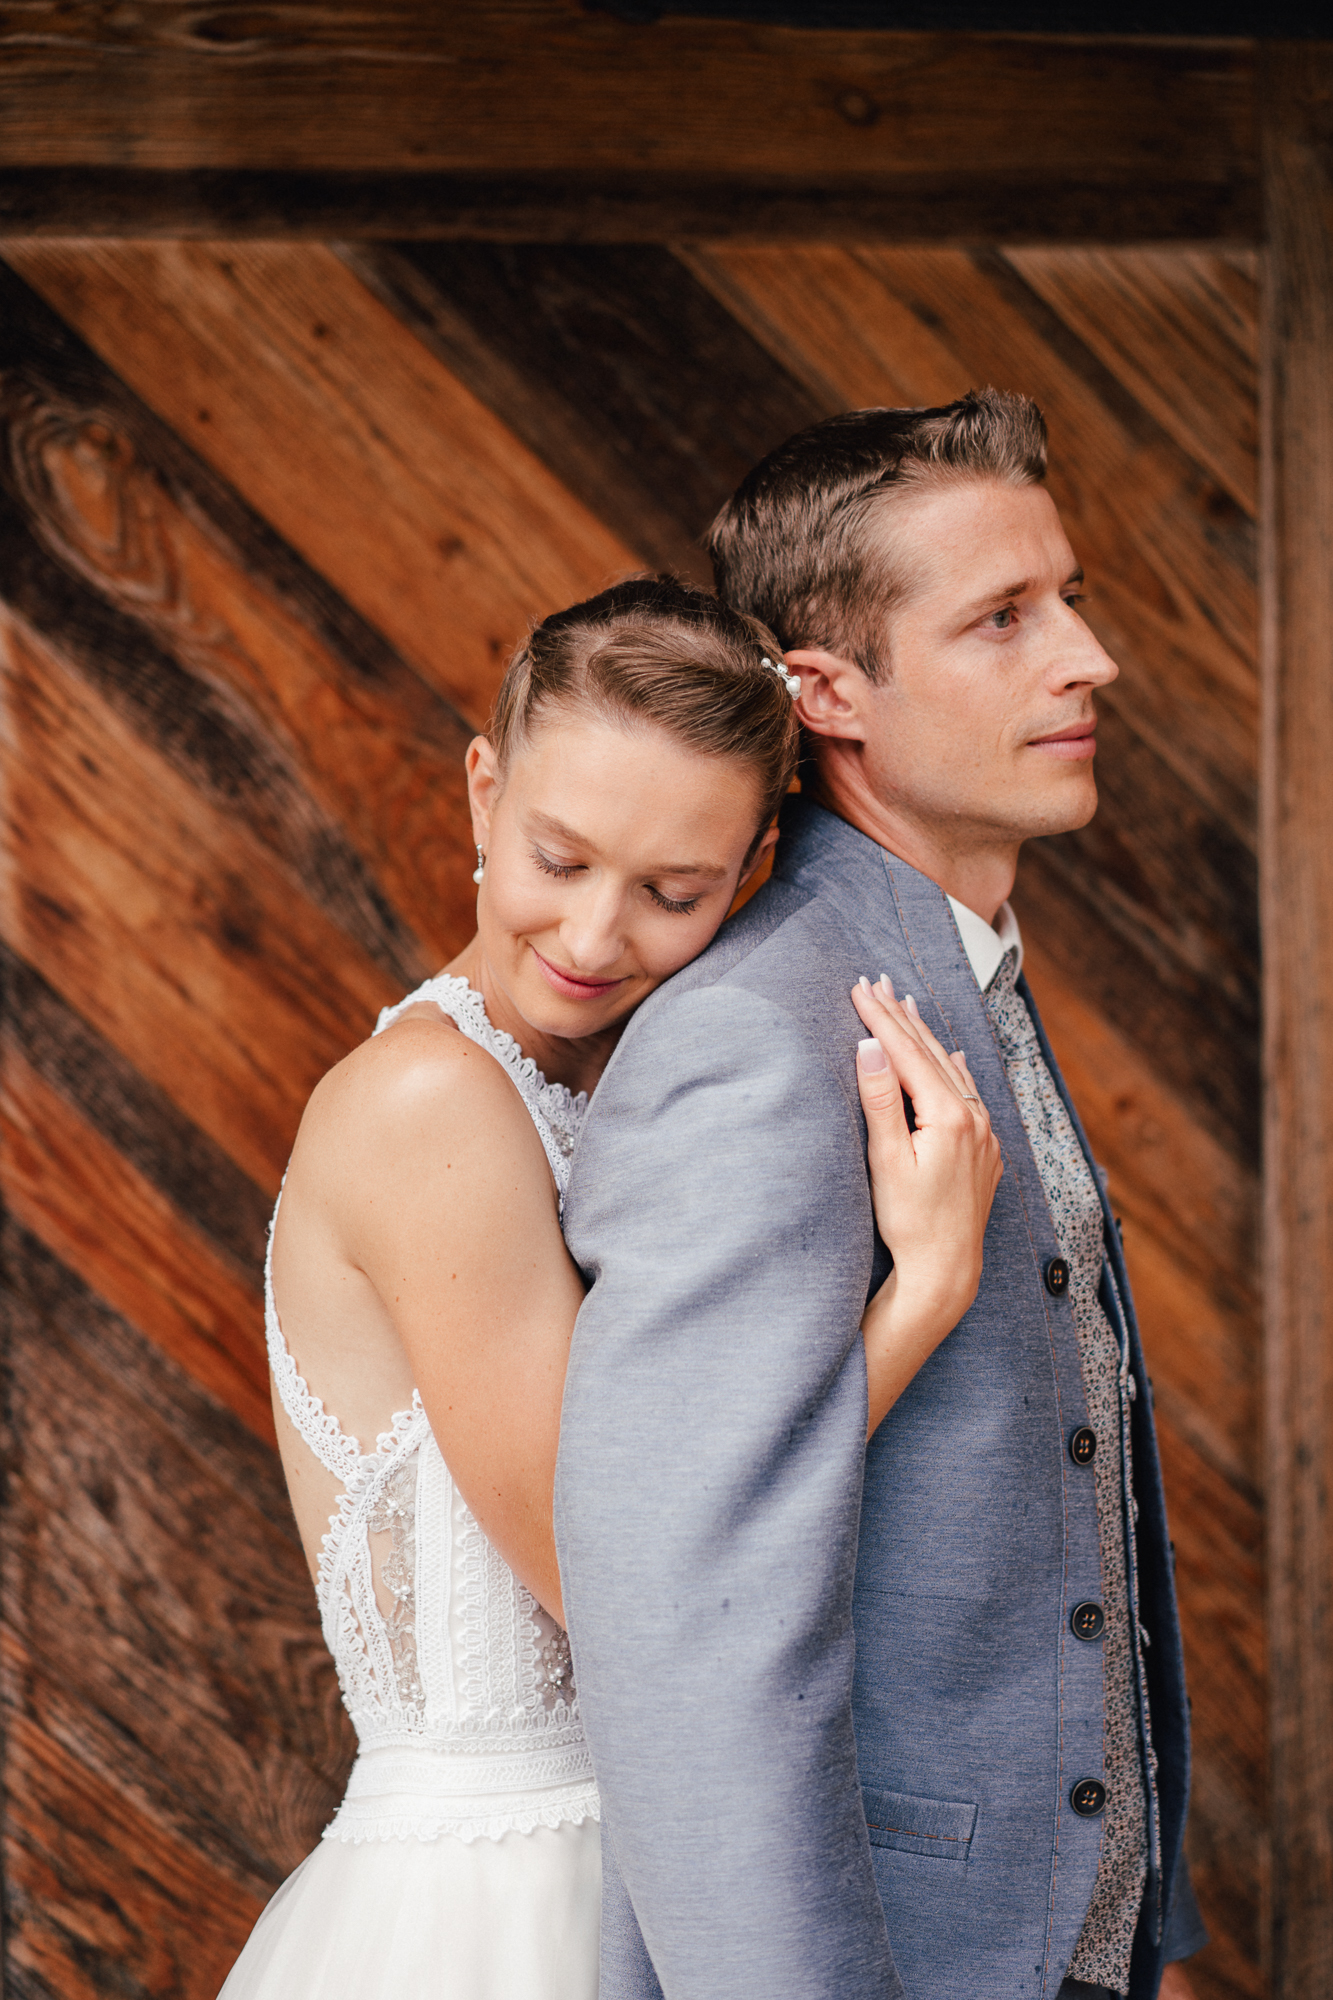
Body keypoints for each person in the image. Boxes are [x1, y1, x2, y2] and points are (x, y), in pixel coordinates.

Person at [217, 576, 1002, 2000]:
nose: (590, 940)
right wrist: (923, 1293)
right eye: (557, 858)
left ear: (757, 864)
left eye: (672, 892)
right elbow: (615, 1579)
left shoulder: (637, 1097)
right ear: (480, 791)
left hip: (666, 1875)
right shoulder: (426, 1106)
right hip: (493, 1906)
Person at [555, 394, 1209, 2000]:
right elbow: (690, 1630)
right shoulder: (760, 1036)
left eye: (1069, 600)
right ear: (825, 690)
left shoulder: (956, 966)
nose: (1086, 659)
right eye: (1001, 619)